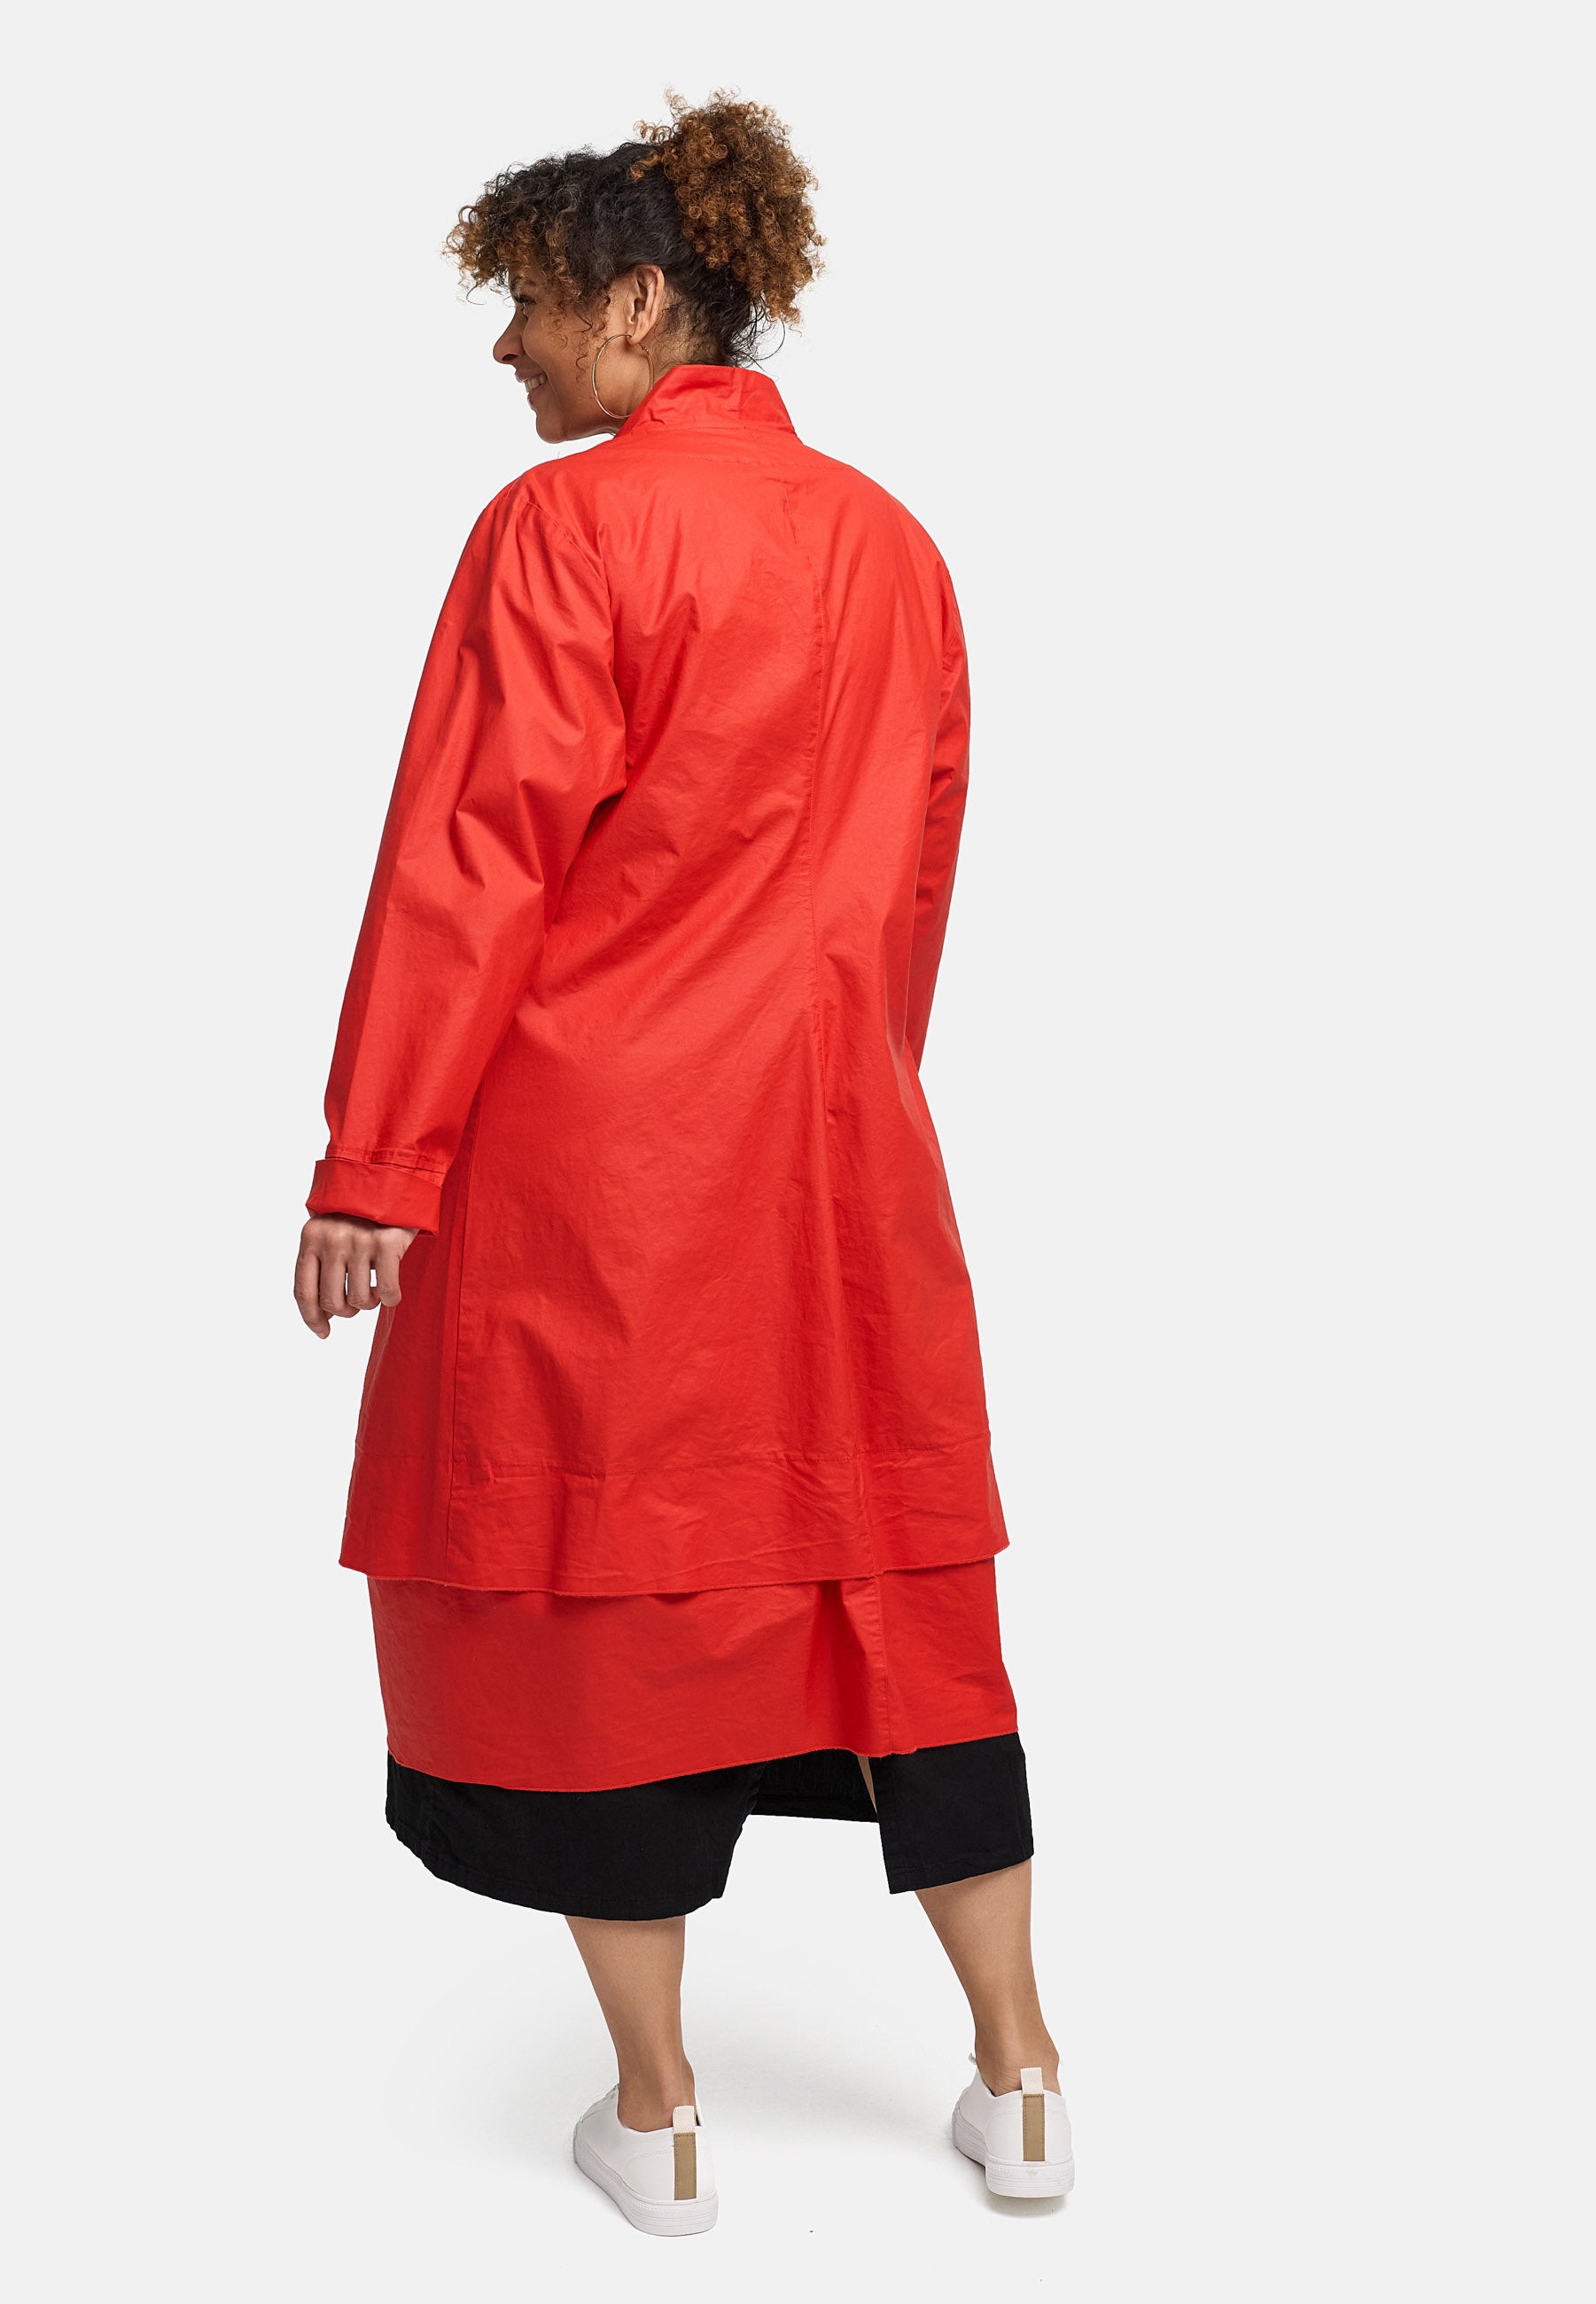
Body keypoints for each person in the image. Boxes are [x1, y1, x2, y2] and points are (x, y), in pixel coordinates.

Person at [294, 90, 1071, 2236]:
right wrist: (844, 1090)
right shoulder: (891, 545)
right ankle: (1021, 2078)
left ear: (640, 301)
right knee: (892, 1596)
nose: (507, 344)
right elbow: (912, 884)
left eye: (532, 302)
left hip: (597, 1179)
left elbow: (471, 861)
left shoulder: (564, 532)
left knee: (606, 1609)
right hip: (838, 1166)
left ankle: (658, 2119)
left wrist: (374, 1162)